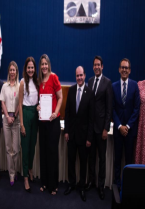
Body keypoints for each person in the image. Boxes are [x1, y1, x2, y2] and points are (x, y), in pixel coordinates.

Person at [64, 66, 93, 202]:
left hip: (83, 137)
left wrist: (89, 138)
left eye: (81, 75)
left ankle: (82, 187)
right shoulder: (71, 90)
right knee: (71, 161)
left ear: (85, 75)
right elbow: (67, 113)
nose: (79, 78)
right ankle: (71, 184)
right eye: (77, 76)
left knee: (82, 163)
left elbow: (91, 118)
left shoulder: (89, 92)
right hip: (71, 136)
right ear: (75, 77)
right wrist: (66, 131)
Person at [86, 55, 113, 200]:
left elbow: (109, 108)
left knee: (102, 159)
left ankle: (101, 186)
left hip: (101, 129)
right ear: (93, 67)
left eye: (99, 65)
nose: (96, 67)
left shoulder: (107, 82)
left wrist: (106, 129)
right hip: (91, 129)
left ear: (102, 67)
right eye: (94, 65)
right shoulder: (89, 81)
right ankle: (91, 181)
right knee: (91, 158)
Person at [112, 58, 140, 190]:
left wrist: (127, 126)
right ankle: (117, 185)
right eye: (122, 67)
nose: (124, 70)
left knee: (129, 161)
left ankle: (128, 186)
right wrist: (119, 126)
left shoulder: (135, 86)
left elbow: (136, 109)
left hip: (130, 132)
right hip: (118, 131)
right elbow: (112, 109)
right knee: (117, 160)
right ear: (119, 69)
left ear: (129, 70)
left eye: (126, 68)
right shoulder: (113, 86)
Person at [37, 54, 62, 195]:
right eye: (42, 64)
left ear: (49, 65)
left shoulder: (54, 77)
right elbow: (38, 102)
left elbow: (60, 97)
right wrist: (38, 108)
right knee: (44, 152)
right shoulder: (39, 81)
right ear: (40, 66)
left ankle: (54, 184)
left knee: (52, 153)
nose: (44, 66)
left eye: (46, 64)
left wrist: (56, 112)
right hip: (42, 123)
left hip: (53, 121)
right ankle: (45, 182)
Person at [19, 57, 39, 192]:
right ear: (25, 69)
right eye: (28, 67)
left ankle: (30, 168)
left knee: (32, 146)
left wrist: (38, 106)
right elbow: (19, 105)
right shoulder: (22, 83)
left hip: (35, 116)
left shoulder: (37, 82)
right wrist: (21, 124)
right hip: (25, 114)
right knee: (25, 148)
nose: (31, 70)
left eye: (32, 67)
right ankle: (25, 176)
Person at [0, 61, 20, 186]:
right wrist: (7, 116)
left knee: (16, 149)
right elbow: (2, 102)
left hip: (16, 119)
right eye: (10, 70)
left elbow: (20, 103)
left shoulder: (19, 86)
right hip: (6, 120)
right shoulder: (4, 86)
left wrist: (15, 116)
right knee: (8, 149)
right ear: (8, 71)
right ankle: (11, 174)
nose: (12, 72)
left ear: (16, 72)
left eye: (14, 70)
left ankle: (16, 171)